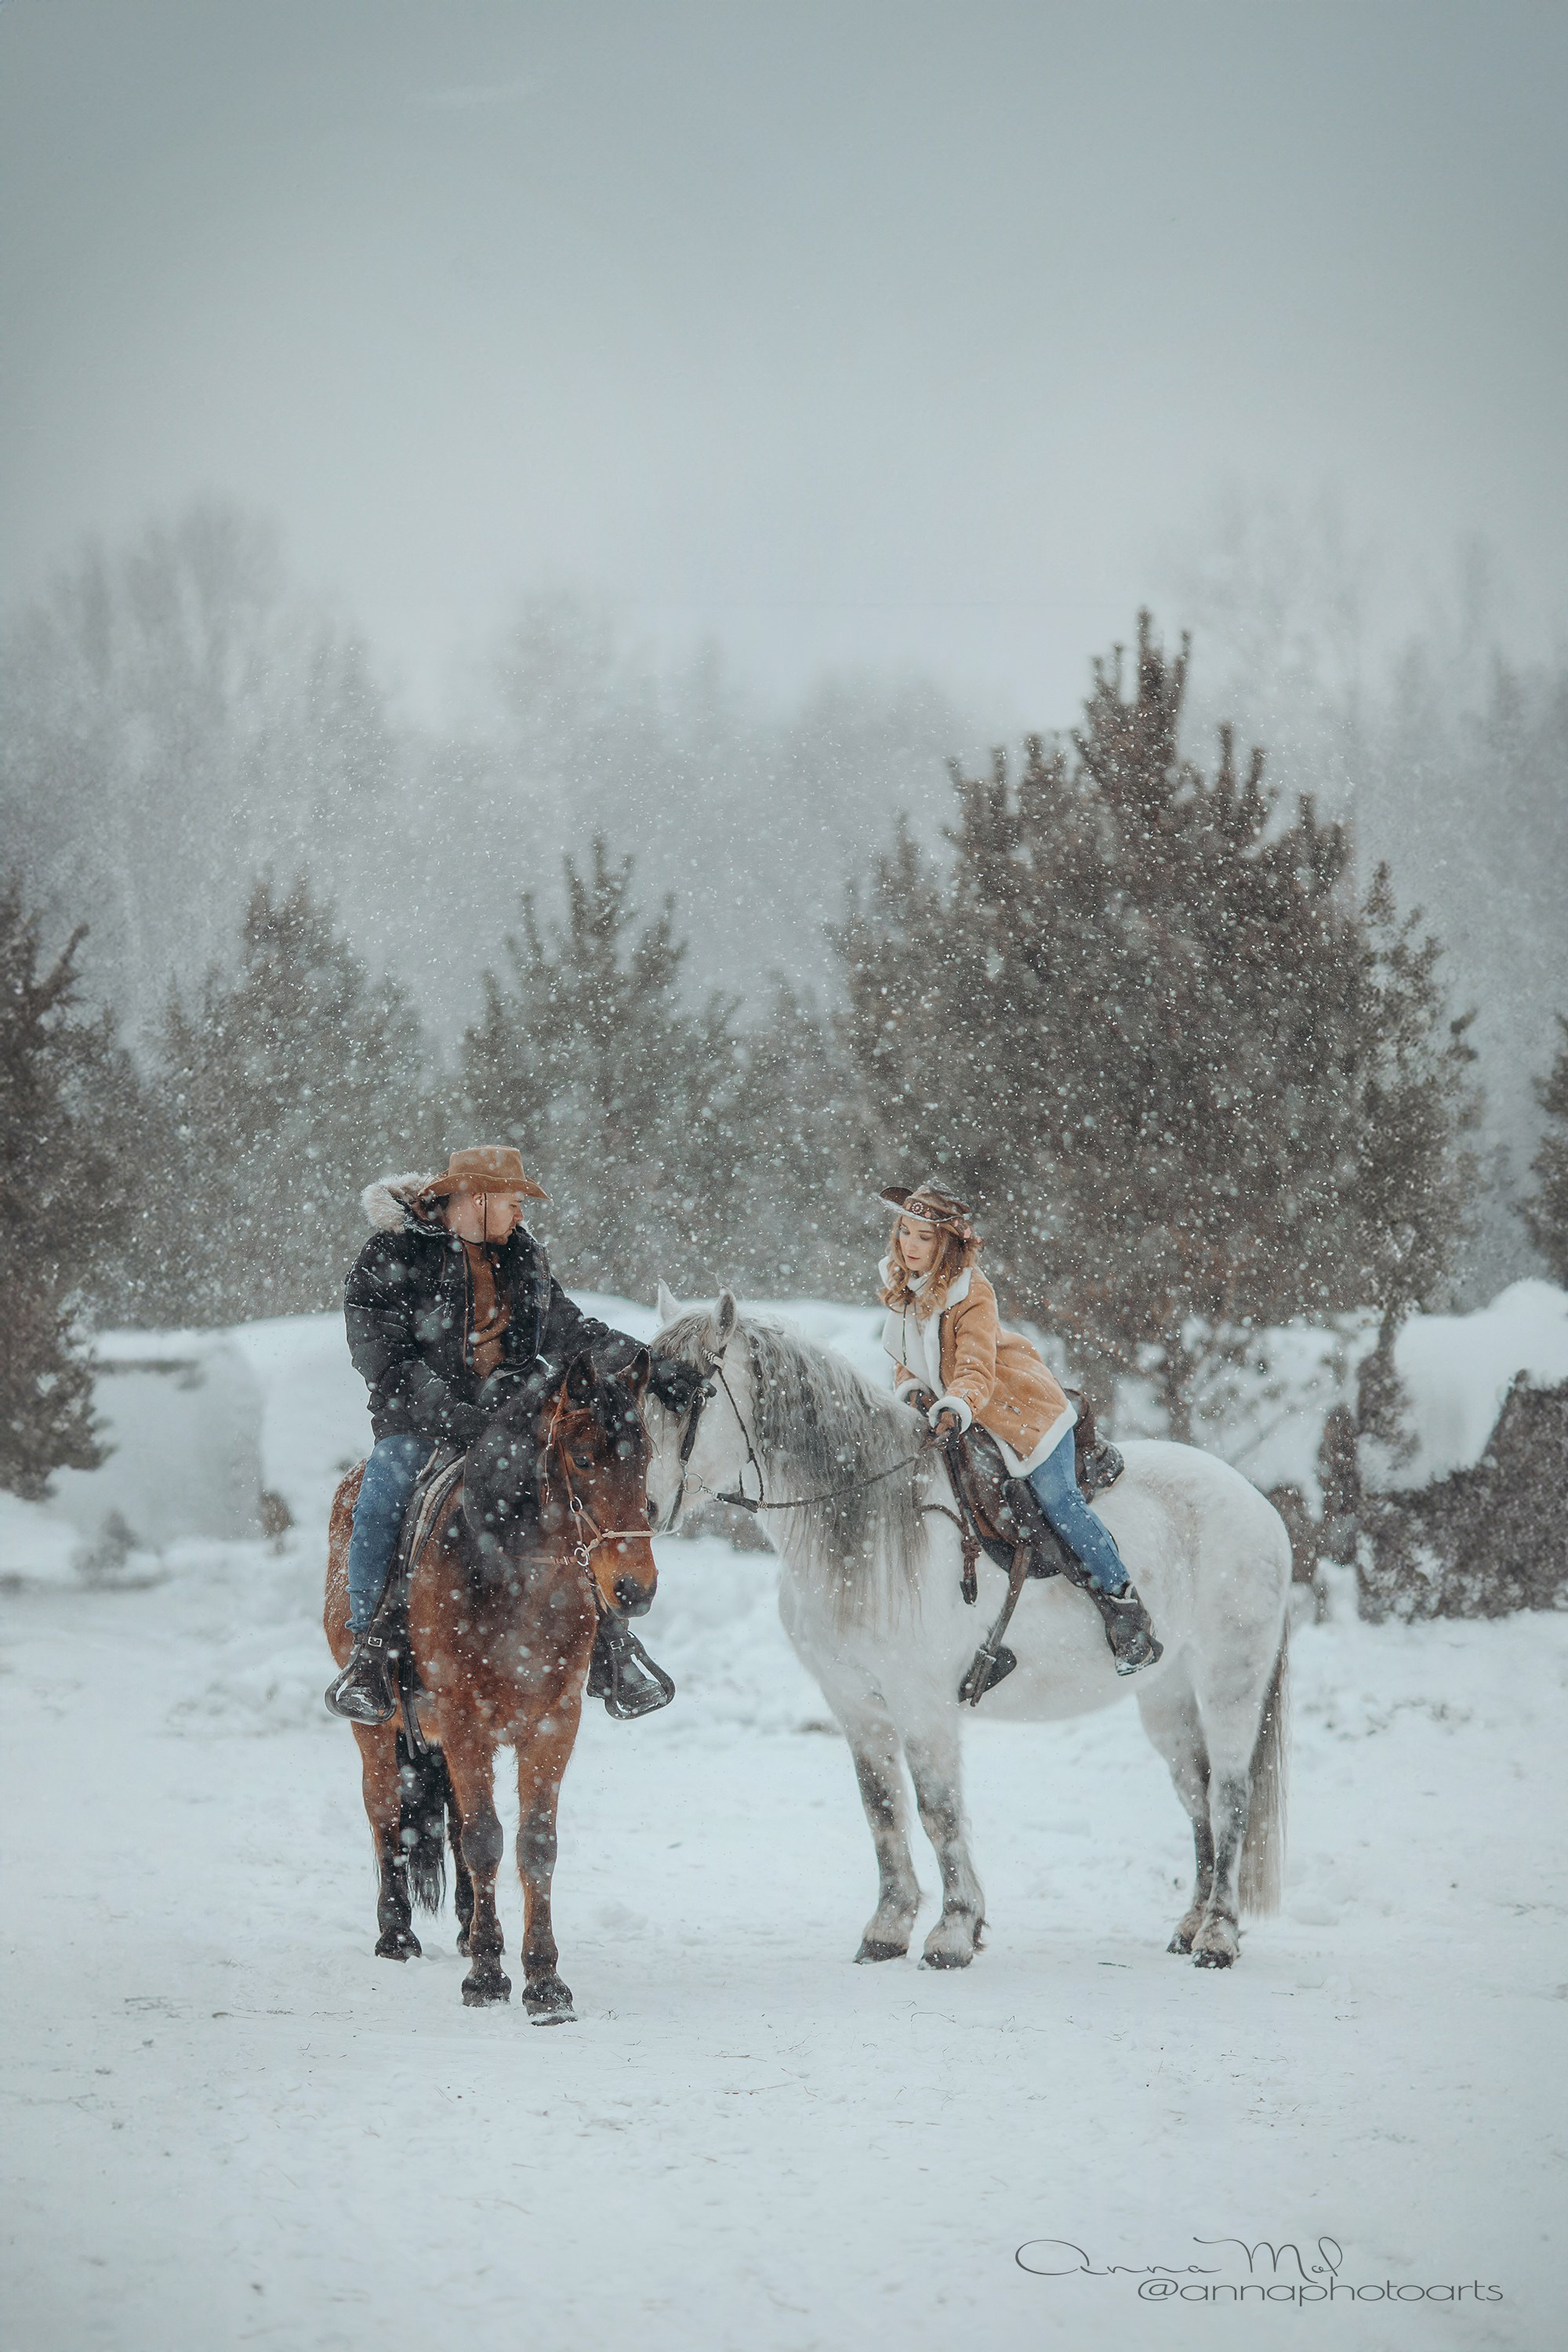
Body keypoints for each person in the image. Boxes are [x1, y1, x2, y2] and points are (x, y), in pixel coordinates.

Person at [325, 1144, 699, 1724]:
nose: (521, 1214)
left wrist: (655, 1368)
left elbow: (573, 1331)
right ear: (475, 1199)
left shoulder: (522, 1256)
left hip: (514, 1423)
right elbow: (384, 1360)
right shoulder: (389, 1256)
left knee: (577, 1500)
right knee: (381, 1498)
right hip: (419, 1426)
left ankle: (611, 1644)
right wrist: (455, 1416)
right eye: (513, 1202)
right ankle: (371, 1654)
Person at [877, 1179, 1162, 1675]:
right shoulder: (902, 1289)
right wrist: (913, 1391)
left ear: (945, 1243)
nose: (911, 1245)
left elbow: (974, 1369)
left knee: (1058, 1501)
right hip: (962, 1410)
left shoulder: (973, 1293)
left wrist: (953, 1403)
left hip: (1020, 1411)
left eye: (924, 1237)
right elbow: (904, 1359)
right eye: (906, 1233)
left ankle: (1125, 1608)